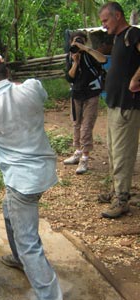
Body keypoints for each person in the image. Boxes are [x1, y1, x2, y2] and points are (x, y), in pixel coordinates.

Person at [0, 53, 63, 300]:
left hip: (22, 183)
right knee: (8, 210)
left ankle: (50, 296)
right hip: (43, 172)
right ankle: (17, 256)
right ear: (7, 73)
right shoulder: (32, 88)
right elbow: (36, 94)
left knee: (30, 246)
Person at [98, 2, 140, 218]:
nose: (104, 25)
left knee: (123, 153)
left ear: (118, 15)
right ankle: (116, 190)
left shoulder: (133, 34)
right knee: (114, 151)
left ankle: (122, 199)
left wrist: (135, 78)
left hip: (127, 104)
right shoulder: (117, 38)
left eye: (106, 21)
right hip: (114, 103)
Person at [64, 31, 107, 174]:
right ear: (70, 43)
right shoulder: (70, 56)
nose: (77, 45)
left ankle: (85, 158)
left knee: (86, 127)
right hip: (76, 94)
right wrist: (75, 62)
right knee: (76, 124)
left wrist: (86, 49)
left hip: (91, 94)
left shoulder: (90, 55)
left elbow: (103, 60)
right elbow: (69, 78)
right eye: (75, 42)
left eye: (80, 41)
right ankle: (77, 152)